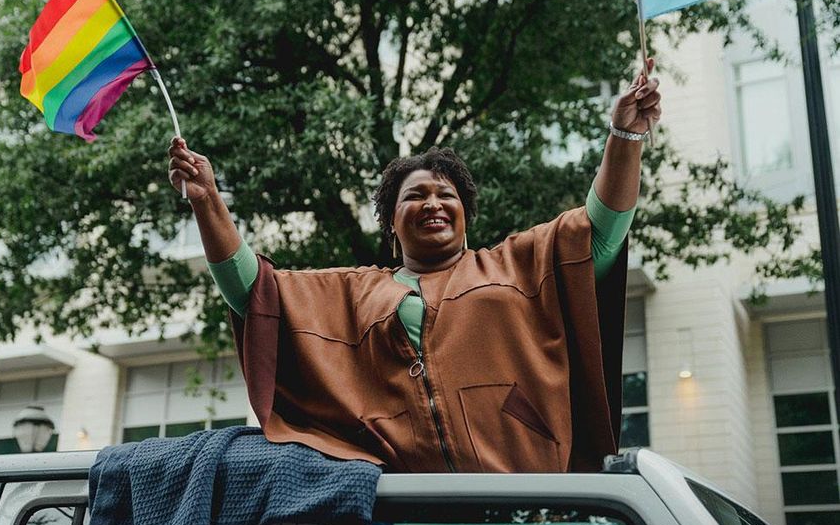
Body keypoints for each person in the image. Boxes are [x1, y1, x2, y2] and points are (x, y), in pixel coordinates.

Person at [168, 61, 661, 473]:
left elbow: (600, 230)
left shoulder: (517, 263)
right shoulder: (352, 292)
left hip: (525, 502)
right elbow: (255, 293)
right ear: (391, 224)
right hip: (405, 514)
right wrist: (208, 201)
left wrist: (624, 136)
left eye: (446, 195)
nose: (433, 203)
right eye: (415, 196)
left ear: (465, 216)